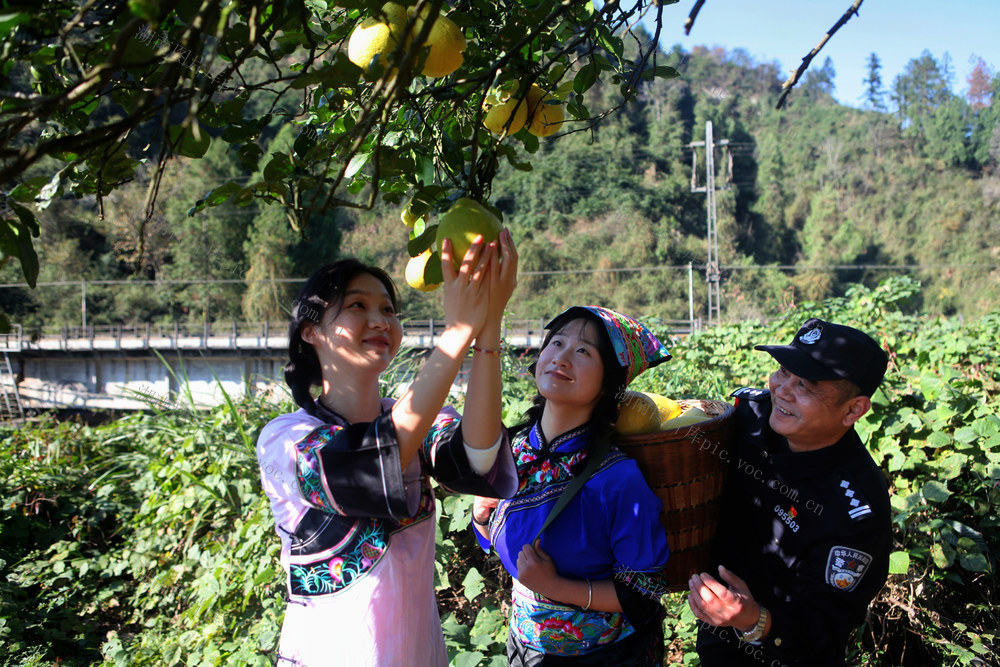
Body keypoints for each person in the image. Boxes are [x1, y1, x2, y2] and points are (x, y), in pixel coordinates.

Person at [256, 230, 519, 666]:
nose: (381, 320)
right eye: (358, 306)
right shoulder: (286, 440)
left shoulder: (419, 419)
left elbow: (480, 456)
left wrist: (486, 326)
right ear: (310, 331)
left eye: (389, 310)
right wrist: (456, 333)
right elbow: (376, 459)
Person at [473, 305, 673, 666]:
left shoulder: (618, 479)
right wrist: (481, 516)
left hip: (605, 657)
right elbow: (500, 541)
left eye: (583, 351)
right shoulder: (510, 452)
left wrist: (556, 588)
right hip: (524, 648)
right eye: (557, 342)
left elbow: (642, 594)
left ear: (609, 383)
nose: (561, 357)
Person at [687, 318, 892, 667]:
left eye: (807, 386)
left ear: (853, 409)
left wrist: (754, 620)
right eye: (783, 370)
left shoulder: (855, 512)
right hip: (716, 633)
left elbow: (823, 630)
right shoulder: (749, 417)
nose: (782, 389)